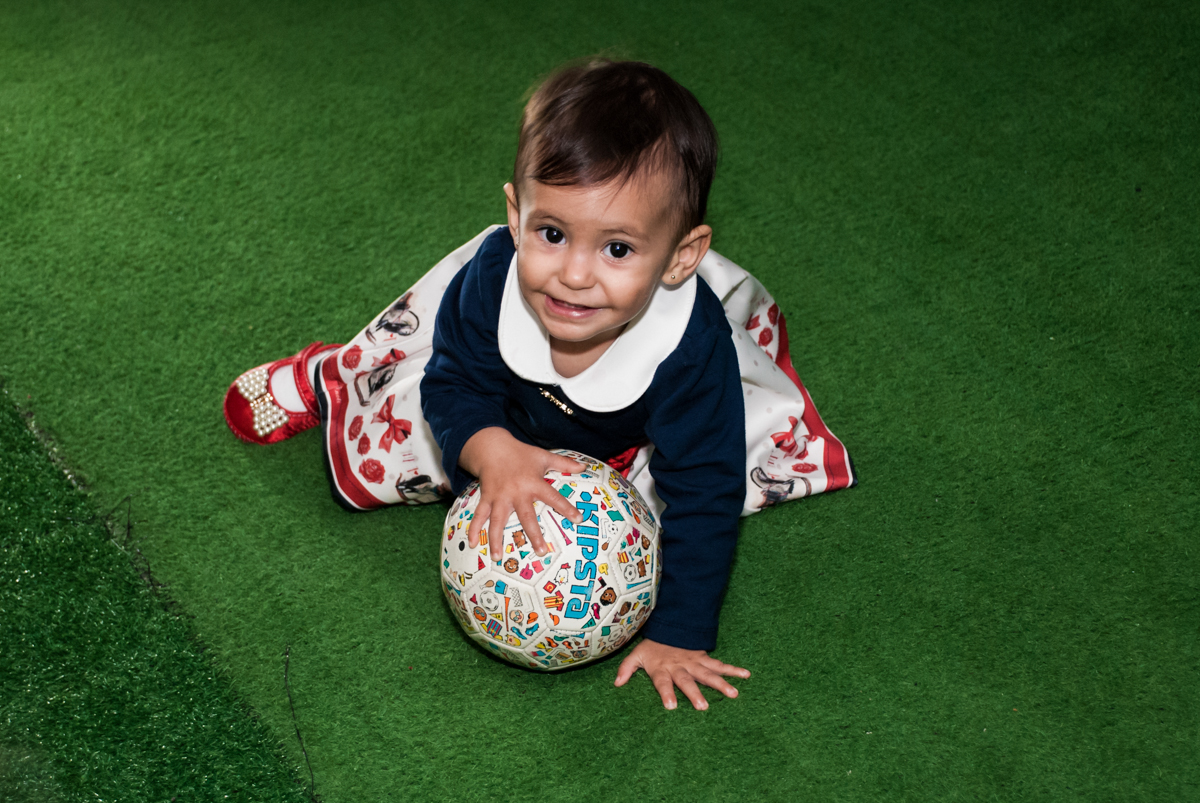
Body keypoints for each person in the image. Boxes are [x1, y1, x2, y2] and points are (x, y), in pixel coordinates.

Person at [223, 59, 855, 710]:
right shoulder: (495, 279)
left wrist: (680, 632)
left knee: (697, 488)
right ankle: (333, 375)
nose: (573, 275)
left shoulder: (689, 352)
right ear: (516, 213)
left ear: (681, 256)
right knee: (403, 418)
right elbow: (454, 384)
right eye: (551, 233)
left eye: (617, 249)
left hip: (622, 441)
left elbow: (703, 489)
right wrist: (489, 451)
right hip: (491, 395)